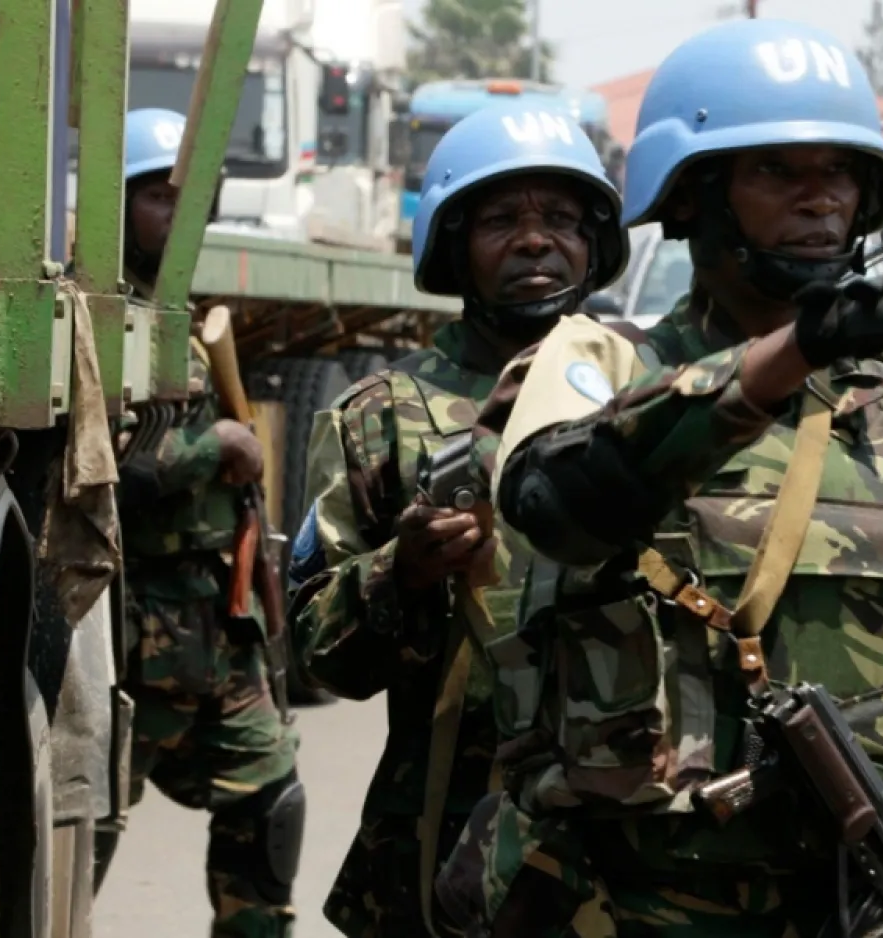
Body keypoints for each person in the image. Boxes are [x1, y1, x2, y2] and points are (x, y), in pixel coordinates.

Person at [435, 18, 883, 938]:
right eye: (776, 172)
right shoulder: (596, 367)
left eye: (839, 173)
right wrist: (808, 342)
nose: (819, 201)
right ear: (691, 197)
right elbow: (554, 507)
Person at [285, 101, 629, 938]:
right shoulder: (381, 417)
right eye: (503, 218)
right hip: (449, 839)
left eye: (560, 218)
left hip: (631, 836)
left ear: (593, 243)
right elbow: (318, 652)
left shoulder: (651, 391)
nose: (537, 239)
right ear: (453, 245)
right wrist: (399, 574)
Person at [111, 107, 305, 938]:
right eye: (157, 197)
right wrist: (215, 443)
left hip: (216, 630)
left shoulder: (182, 316)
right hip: (125, 635)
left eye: (188, 199)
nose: (175, 215)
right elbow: (98, 473)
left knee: (269, 799)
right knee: (73, 830)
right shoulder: (94, 316)